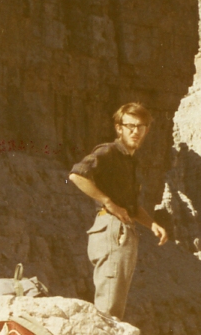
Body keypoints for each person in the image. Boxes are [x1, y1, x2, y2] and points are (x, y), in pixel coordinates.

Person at [68, 103, 168, 319]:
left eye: (141, 126)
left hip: (122, 231)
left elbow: (130, 205)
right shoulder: (109, 151)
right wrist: (107, 202)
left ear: (147, 130)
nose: (135, 131)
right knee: (109, 308)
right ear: (118, 128)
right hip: (112, 230)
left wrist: (152, 224)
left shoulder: (129, 161)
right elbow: (77, 175)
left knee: (115, 305)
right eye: (130, 126)